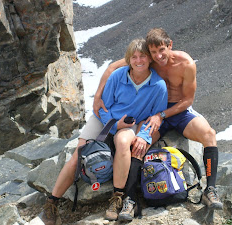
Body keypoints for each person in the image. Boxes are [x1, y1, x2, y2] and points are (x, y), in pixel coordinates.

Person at [93, 28, 223, 211]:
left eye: (162, 50)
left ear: (170, 45)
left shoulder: (186, 63)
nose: (159, 56)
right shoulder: (148, 60)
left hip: (177, 111)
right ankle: (130, 200)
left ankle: (210, 190)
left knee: (209, 134)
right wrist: (98, 96)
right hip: (153, 112)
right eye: (154, 52)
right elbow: (112, 67)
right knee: (139, 145)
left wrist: (161, 115)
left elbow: (188, 100)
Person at [41, 38, 168, 224]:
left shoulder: (158, 86)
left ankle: (116, 198)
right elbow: (102, 108)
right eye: (134, 57)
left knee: (123, 143)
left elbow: (155, 117)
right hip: (106, 119)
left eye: (142, 56)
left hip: (131, 124)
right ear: (128, 59)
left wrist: (142, 135)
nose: (138, 60)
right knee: (79, 154)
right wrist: (115, 125)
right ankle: (51, 203)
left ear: (150, 59)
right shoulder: (118, 76)